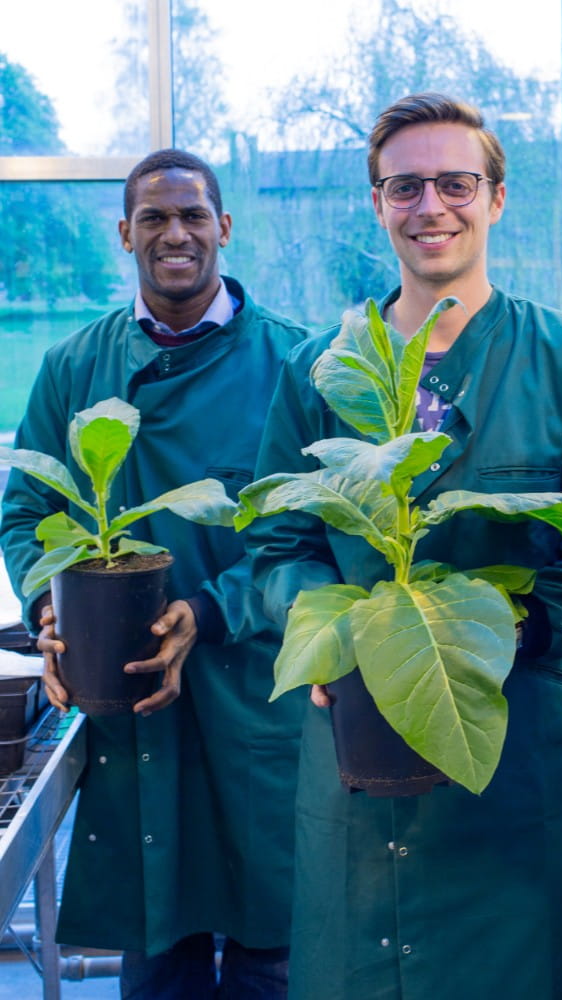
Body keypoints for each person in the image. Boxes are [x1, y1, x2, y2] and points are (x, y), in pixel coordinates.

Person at [247, 93, 562, 999]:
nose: (431, 206)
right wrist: (335, 636)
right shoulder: (323, 367)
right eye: (404, 186)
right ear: (377, 205)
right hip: (356, 750)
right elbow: (275, 547)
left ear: (496, 198)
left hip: (519, 744)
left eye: (456, 182)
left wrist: (505, 636)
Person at [0, 149, 310, 999]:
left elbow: (307, 537)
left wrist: (207, 614)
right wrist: (48, 603)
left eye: (193, 216)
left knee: (270, 948)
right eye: (154, 219)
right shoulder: (75, 366)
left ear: (225, 229)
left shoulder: (294, 359)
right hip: (132, 697)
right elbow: (26, 513)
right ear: (125, 234)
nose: (175, 234)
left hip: (256, 690)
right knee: (159, 945)